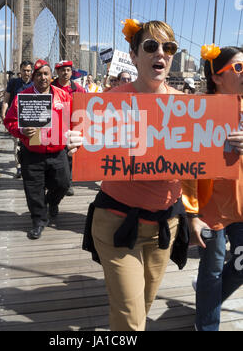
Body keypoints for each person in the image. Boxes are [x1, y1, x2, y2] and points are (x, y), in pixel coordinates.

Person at [67, 19, 190, 331]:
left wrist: (230, 149)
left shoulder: (189, 108)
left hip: (165, 224)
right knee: (131, 320)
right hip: (117, 223)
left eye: (168, 47)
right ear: (134, 56)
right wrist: (78, 143)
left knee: (142, 306)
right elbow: (89, 143)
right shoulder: (108, 104)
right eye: (150, 46)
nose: (160, 53)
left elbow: (201, 166)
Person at [182, 45, 243, 331]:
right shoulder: (198, 111)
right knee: (214, 269)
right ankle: (206, 325)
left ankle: (208, 299)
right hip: (210, 208)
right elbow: (186, 166)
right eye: (239, 68)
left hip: (241, 205)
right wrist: (191, 212)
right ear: (217, 77)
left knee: (240, 266)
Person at [4, 59, 71, 240]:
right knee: (33, 189)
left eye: (46, 74)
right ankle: (39, 221)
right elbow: (9, 121)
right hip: (32, 151)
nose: (43, 77)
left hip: (57, 151)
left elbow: (73, 119)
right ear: (33, 77)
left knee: (63, 183)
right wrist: (21, 130)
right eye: (39, 74)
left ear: (52, 76)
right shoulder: (21, 98)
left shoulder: (63, 96)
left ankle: (51, 202)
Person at [52, 60, 86, 196]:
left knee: (70, 156)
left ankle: (68, 183)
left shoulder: (78, 88)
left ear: (71, 72)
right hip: (54, 127)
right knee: (55, 156)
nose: (65, 73)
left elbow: (85, 104)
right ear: (57, 72)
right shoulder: (50, 87)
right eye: (62, 70)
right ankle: (54, 182)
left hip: (72, 127)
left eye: (68, 70)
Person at [1, 60, 34, 178]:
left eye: (29, 71)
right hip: (16, 118)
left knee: (32, 142)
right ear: (20, 71)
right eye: (24, 70)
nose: (27, 73)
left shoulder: (36, 84)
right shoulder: (13, 83)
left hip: (31, 118)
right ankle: (19, 167)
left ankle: (29, 165)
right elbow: (6, 100)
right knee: (17, 144)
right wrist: (4, 114)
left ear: (32, 71)